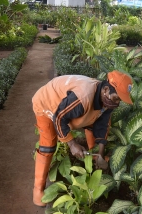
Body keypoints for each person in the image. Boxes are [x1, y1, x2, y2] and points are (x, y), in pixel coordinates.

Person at [31, 70, 134, 206]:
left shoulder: (108, 100)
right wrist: (72, 144)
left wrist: (101, 154)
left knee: (94, 121)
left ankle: (94, 157)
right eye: (116, 98)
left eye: (120, 100)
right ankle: (38, 190)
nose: (117, 103)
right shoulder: (83, 97)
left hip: (66, 109)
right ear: (106, 89)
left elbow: (102, 125)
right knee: (48, 145)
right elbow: (59, 118)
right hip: (47, 103)